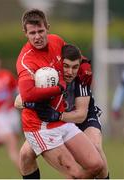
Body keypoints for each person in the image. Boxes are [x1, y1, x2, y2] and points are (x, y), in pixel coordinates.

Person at [16, 10, 104, 179]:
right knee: (75, 173)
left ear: (47, 28)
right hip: (39, 127)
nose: (37, 37)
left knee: (96, 165)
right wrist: (59, 88)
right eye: (32, 33)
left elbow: (74, 55)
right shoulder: (26, 61)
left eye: (40, 31)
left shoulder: (56, 41)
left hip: (59, 120)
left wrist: (84, 64)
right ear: (25, 33)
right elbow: (27, 94)